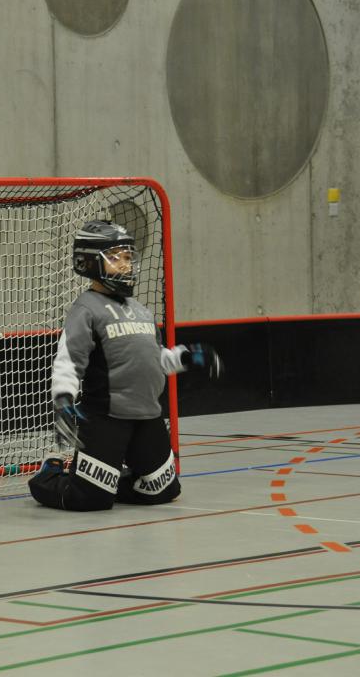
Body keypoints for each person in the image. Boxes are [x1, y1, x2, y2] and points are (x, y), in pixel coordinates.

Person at [28, 219, 223, 511]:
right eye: (115, 258)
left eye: (128, 257)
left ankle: (106, 482)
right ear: (88, 262)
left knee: (163, 491)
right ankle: (51, 473)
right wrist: (64, 401)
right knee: (88, 500)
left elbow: (154, 359)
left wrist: (186, 357)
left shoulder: (141, 311)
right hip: (106, 417)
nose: (125, 264)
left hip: (147, 417)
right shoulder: (86, 309)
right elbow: (68, 362)